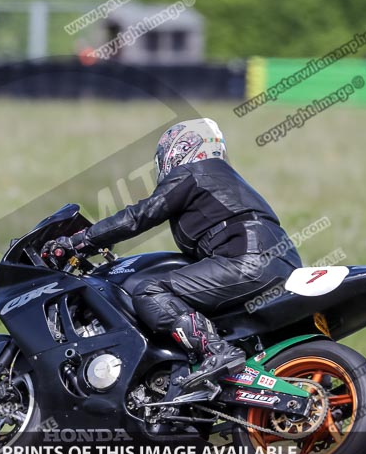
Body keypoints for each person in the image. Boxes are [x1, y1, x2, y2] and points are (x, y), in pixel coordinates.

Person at [45, 118, 302, 391]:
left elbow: (138, 216)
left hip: (247, 260)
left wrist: (80, 240)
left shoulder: (193, 172)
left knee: (150, 290)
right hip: (280, 261)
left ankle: (217, 351)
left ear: (180, 149)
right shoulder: (224, 178)